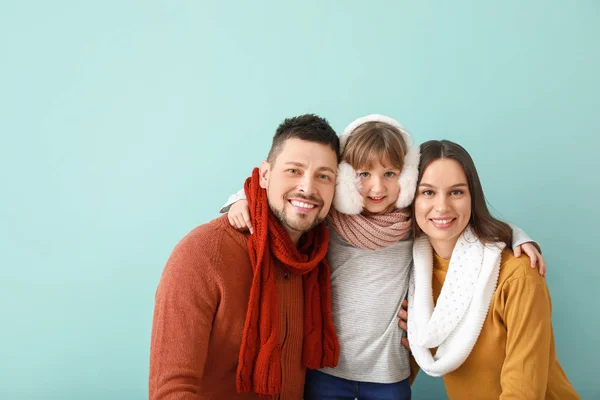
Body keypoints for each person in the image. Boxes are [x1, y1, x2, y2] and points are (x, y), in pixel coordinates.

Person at [223, 115, 544, 400]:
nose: (377, 187)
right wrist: (239, 202)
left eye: (390, 173)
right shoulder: (330, 219)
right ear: (345, 177)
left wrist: (518, 236)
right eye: (363, 174)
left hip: (387, 375)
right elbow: (283, 197)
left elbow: (463, 226)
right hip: (327, 368)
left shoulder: (410, 224)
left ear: (406, 179)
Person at [149, 114, 343, 399]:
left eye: (324, 176)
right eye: (293, 170)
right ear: (264, 175)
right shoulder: (203, 253)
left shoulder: (318, 261)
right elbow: (170, 391)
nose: (308, 188)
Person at [408, 139, 579, 399]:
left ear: (472, 198)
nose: (442, 206)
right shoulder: (414, 276)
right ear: (411, 198)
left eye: (456, 192)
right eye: (428, 192)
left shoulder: (519, 275)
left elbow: (522, 393)